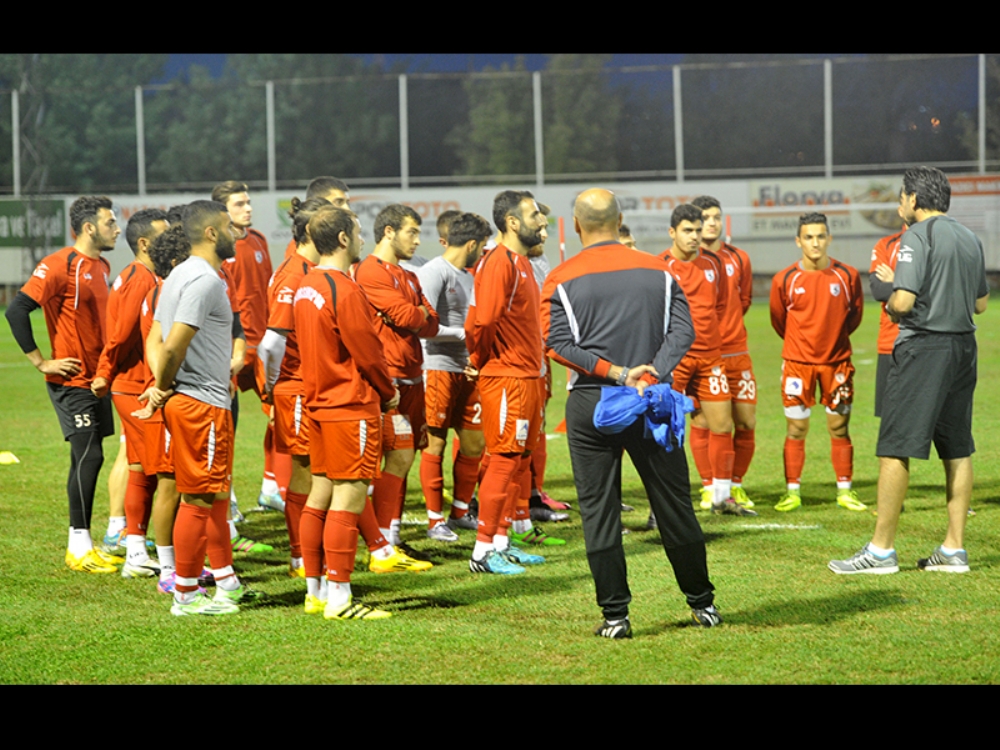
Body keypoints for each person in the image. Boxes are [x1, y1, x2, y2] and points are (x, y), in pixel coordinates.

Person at [542, 188, 719, 637]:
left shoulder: (560, 277)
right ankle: (703, 604)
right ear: (620, 220)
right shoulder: (659, 269)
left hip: (593, 401)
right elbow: (685, 330)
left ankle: (615, 616)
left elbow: (557, 344)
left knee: (599, 511)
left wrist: (618, 373)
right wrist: (652, 373)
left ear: (577, 225)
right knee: (675, 505)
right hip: (651, 400)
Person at [829, 167, 989, 575]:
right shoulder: (970, 237)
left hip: (923, 348)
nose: (900, 205)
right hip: (963, 349)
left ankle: (880, 551)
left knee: (896, 446)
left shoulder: (916, 236)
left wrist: (896, 293)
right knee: (957, 447)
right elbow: (981, 304)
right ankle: (954, 549)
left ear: (914, 200)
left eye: (902, 197)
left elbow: (901, 302)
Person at [149, 200, 255, 615]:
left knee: (208, 495)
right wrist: (162, 385)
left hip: (190, 399)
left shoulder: (179, 275)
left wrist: (163, 387)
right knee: (197, 501)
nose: (235, 232)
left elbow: (157, 338)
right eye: (228, 225)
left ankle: (221, 583)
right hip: (201, 403)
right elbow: (173, 343)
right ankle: (188, 595)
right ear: (211, 233)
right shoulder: (203, 280)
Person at [293, 205, 400, 619]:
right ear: (342, 239)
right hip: (348, 404)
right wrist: (387, 392)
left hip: (319, 402)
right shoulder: (344, 288)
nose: (360, 239)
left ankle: (315, 590)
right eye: (355, 232)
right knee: (350, 495)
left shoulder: (307, 284)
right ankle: (339, 597)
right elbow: (368, 351)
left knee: (319, 494)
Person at [6, 196, 121, 573]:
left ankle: (84, 542)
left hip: (97, 379)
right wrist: (41, 361)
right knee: (89, 456)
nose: (116, 228)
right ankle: (78, 547)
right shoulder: (60, 264)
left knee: (89, 456)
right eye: (109, 222)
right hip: (72, 380)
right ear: (88, 227)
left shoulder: (100, 265)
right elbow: (17, 309)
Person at [463, 190, 550, 574]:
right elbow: (482, 321)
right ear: (512, 222)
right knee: (502, 459)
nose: (542, 221)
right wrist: (479, 360)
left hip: (527, 374)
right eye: (534, 215)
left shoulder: (522, 262)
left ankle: (502, 542)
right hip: (507, 377)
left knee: (516, 460)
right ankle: (482, 552)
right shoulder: (499, 262)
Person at [659, 204, 755, 517]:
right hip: (675, 360)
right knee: (667, 428)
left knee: (722, 424)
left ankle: (721, 498)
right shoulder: (659, 266)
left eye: (698, 231)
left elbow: (723, 307)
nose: (695, 237)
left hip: (711, 357)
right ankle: (664, 501)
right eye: (688, 231)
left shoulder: (713, 262)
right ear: (672, 232)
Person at [355, 205, 439, 550]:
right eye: (411, 232)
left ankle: (387, 535)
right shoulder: (370, 272)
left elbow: (429, 321)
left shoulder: (409, 275)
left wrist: (413, 315)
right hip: (386, 381)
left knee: (402, 458)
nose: (418, 240)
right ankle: (378, 538)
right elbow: (409, 315)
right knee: (381, 461)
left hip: (412, 376)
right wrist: (412, 314)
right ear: (388, 232)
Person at [770, 213, 864, 512]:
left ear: (829, 239)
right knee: (796, 428)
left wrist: (833, 341)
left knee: (839, 427)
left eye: (820, 236)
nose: (815, 243)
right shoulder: (784, 279)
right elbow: (779, 320)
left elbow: (854, 316)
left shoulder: (847, 276)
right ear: (798, 241)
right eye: (808, 237)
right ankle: (793, 492)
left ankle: (845, 491)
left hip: (836, 364)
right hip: (798, 365)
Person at [93, 208, 169, 577]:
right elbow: (121, 334)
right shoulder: (141, 280)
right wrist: (105, 373)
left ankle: (137, 547)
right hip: (135, 386)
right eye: (163, 235)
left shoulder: (135, 275)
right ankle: (152, 551)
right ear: (144, 243)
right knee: (157, 469)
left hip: (132, 385)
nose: (171, 241)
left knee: (142, 466)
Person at [211, 180, 285, 515]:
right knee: (226, 426)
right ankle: (228, 499)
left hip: (261, 347)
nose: (248, 208)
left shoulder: (259, 240)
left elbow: (267, 290)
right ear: (222, 211)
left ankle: (271, 487)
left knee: (282, 415)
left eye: (249, 202)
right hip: (230, 350)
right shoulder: (219, 250)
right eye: (239, 204)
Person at [416, 212, 491, 537]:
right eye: (483, 246)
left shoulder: (469, 274)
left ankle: (460, 511)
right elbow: (423, 325)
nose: (483, 252)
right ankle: (435, 520)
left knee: (474, 442)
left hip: (467, 369)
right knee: (435, 442)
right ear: (472, 244)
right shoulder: (434, 271)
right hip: (437, 368)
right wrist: (464, 334)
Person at [689, 196, 757, 510]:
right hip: (703, 355)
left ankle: (734, 485)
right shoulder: (690, 260)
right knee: (704, 422)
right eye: (706, 217)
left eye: (717, 217)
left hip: (737, 351)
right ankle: (709, 487)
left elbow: (742, 301)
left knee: (745, 421)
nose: (713, 223)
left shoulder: (739, 258)